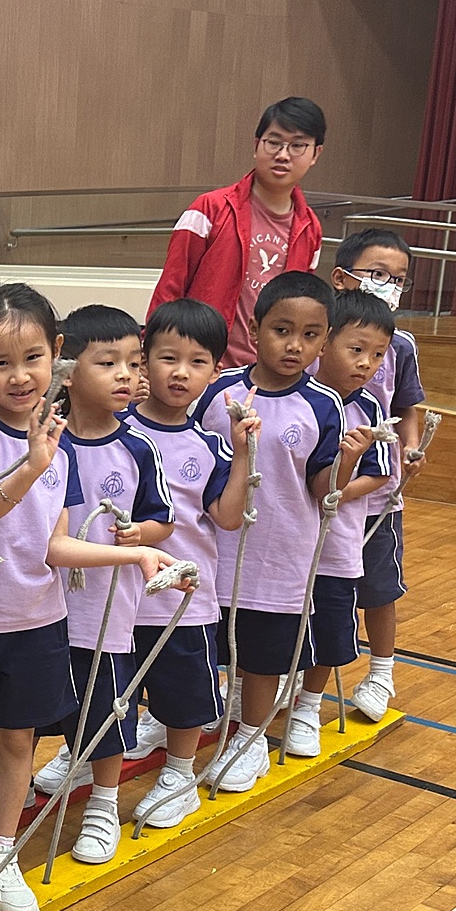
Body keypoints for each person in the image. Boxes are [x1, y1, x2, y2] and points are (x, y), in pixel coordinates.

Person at [0, 285, 184, 911]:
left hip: (38, 622)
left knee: (18, 742)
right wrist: (29, 467)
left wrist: (135, 556)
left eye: (33, 358)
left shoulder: (58, 441)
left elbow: (55, 546)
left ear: (57, 354)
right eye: (0, 363)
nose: (19, 376)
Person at [192, 272, 357, 790]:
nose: (294, 345)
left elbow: (322, 488)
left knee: (263, 659)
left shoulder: (324, 405)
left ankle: (250, 741)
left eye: (310, 335)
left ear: (324, 341)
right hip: (212, 549)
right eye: (282, 330)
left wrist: (348, 461)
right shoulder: (216, 391)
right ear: (254, 328)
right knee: (202, 645)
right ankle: (191, 717)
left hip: (280, 556)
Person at [124, 298, 261, 830]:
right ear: (144, 360)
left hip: (184, 602)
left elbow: (227, 517)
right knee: (107, 691)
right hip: (115, 600)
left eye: (197, 361)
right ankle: (87, 755)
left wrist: (243, 451)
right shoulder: (115, 430)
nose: (181, 373)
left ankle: (179, 776)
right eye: (168, 358)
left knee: (183, 699)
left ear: (215, 371)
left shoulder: (210, 445)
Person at [55, 306, 176, 866]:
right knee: (31, 710)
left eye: (133, 362)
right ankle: (28, 777)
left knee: (106, 708)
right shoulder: (45, 440)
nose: (126, 374)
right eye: (108, 363)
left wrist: (140, 534)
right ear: (67, 371)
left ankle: (103, 802)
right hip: (39, 608)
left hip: (105, 609)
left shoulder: (138, 447)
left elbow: (163, 520)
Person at [284, 292, 393, 755]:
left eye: (378, 355)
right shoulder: (296, 397)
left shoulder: (370, 409)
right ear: (324, 343)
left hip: (336, 543)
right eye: (357, 349)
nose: (366, 363)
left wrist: (338, 492)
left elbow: (381, 472)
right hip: (287, 541)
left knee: (328, 625)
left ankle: (308, 707)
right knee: (276, 621)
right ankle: (256, 695)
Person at [328, 228, 428, 720]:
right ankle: (295, 670)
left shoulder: (401, 345)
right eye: (378, 274)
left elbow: (408, 406)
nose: (389, 285)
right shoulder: (319, 334)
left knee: (379, 585)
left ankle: (382, 671)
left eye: (399, 279)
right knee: (321, 585)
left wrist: (409, 447)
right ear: (341, 278)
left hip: (378, 489)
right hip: (324, 487)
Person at [150, 97, 328, 368]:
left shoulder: (311, 228)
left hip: (269, 372)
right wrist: (152, 354)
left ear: (315, 154)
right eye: (274, 142)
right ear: (257, 145)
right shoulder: (210, 208)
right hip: (203, 366)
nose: (283, 154)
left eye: (297, 146)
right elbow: (170, 287)